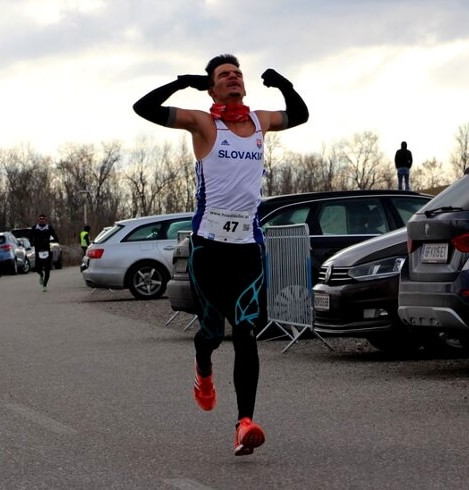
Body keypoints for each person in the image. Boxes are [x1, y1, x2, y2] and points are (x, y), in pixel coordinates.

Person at [133, 53, 309, 456]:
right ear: (212, 87)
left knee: (245, 331)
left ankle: (244, 423)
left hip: (248, 247)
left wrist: (284, 84)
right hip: (209, 248)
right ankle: (203, 370)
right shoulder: (202, 123)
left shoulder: (260, 121)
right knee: (212, 332)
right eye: (223, 75)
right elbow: (143, 108)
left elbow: (299, 115)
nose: (233, 78)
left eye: (237, 74)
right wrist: (182, 82)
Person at [30, 214, 59, 291]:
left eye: (43, 219)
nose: (41, 220)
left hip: (47, 250)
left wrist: (49, 241)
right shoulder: (34, 228)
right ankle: (41, 275)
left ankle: (45, 285)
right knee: (37, 268)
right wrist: (33, 243)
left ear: (46, 220)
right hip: (38, 250)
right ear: (38, 220)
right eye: (40, 219)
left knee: (47, 268)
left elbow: (56, 238)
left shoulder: (49, 228)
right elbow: (30, 238)